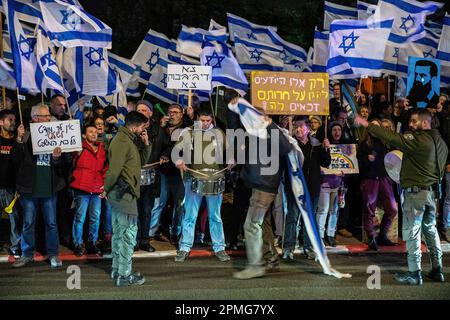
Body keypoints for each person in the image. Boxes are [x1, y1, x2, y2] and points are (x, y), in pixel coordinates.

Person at [354, 109, 448, 285]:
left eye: (414, 121)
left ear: (425, 123)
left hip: (415, 194)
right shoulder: (442, 143)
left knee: (412, 232)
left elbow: (392, 138)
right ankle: (438, 269)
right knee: (431, 230)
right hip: (431, 193)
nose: (410, 125)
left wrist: (367, 124)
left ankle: (414, 273)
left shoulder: (418, 139)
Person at [232, 109, 293, 280]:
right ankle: (271, 259)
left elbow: (286, 148)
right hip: (260, 186)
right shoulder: (258, 133)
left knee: (251, 226)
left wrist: (270, 125)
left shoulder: (271, 130)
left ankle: (255, 266)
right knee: (262, 224)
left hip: (264, 188)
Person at [12, 105, 71, 269]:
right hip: (29, 188)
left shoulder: (55, 134)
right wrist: (18, 139)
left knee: (51, 223)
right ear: (34, 117)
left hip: (49, 188)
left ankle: (53, 255)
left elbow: (63, 164)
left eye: (48, 116)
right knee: (28, 223)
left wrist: (57, 158)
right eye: (44, 116)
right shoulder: (25, 136)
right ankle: (27, 255)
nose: (48, 118)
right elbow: (15, 160)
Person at [174, 109, 231, 262]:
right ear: (197, 119)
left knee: (215, 216)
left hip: (215, 178)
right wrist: (179, 161)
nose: (205, 124)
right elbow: (176, 151)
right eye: (202, 120)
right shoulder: (189, 132)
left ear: (212, 119)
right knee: (190, 215)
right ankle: (184, 247)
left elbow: (229, 151)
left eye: (208, 121)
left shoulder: (219, 133)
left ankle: (219, 247)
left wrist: (232, 159)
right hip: (193, 177)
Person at [102, 111, 151, 287]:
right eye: (143, 127)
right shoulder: (123, 141)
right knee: (128, 235)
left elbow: (139, 163)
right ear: (136, 126)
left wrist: (146, 144)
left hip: (121, 194)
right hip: (124, 195)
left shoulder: (127, 140)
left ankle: (117, 269)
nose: (143, 130)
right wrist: (105, 188)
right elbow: (114, 170)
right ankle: (124, 275)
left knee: (119, 233)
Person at [282, 116, 331, 260]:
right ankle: (288, 248)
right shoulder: (291, 144)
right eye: (295, 126)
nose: (298, 129)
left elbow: (326, 163)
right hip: (295, 188)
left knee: (310, 219)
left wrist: (326, 149)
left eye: (301, 126)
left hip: (312, 188)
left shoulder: (316, 144)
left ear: (308, 128)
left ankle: (308, 247)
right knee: (292, 217)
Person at [135, 100, 170, 252]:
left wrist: (165, 155)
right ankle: (133, 240)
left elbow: (168, 146)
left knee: (147, 210)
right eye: (138, 110)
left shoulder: (159, 131)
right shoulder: (132, 129)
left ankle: (144, 240)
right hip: (134, 176)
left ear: (150, 113)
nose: (141, 112)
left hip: (151, 176)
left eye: (144, 110)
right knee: (133, 211)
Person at [358, 119, 398, 251]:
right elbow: (358, 163)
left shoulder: (385, 143)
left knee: (392, 208)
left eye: (377, 127)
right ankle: (371, 238)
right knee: (369, 209)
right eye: (372, 127)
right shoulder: (364, 144)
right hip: (370, 179)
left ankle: (382, 235)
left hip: (384, 178)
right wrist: (366, 160)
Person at [70, 123, 108, 256]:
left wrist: (105, 185)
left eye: (95, 131)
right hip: (82, 187)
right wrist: (76, 154)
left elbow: (105, 169)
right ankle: (78, 243)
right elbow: (69, 163)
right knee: (80, 217)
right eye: (90, 131)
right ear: (84, 135)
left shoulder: (102, 149)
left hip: (97, 188)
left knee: (95, 217)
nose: (93, 134)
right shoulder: (78, 148)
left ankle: (92, 243)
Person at [159, 104, 187, 244]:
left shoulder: (186, 128)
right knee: (160, 202)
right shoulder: (162, 128)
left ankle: (175, 232)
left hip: (179, 172)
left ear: (181, 114)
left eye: (176, 112)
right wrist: (161, 128)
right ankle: (155, 230)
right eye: (170, 112)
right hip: (163, 171)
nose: (172, 115)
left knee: (179, 204)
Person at [316, 122, 344, 247]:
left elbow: (349, 166)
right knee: (323, 210)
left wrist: (345, 173)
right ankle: (320, 235)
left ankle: (331, 235)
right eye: (334, 130)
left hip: (339, 185)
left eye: (339, 130)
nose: (337, 132)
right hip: (325, 184)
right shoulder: (324, 146)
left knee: (335, 211)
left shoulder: (345, 147)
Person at [0, 110, 24, 258]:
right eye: (10, 119)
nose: (14, 122)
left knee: (14, 218)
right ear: (1, 122)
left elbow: (20, 163)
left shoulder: (17, 141)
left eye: (14, 119)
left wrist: (19, 140)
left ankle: (15, 246)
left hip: (11, 187)